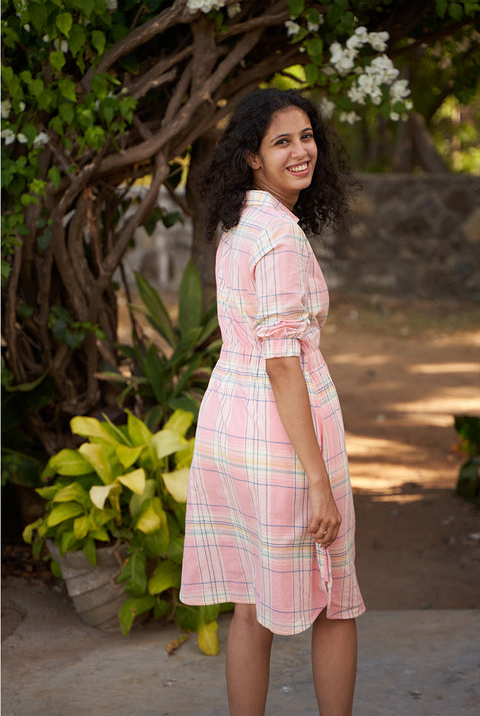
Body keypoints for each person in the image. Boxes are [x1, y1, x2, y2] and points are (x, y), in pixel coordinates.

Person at [180, 88, 365, 716]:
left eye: (307, 135)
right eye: (281, 141)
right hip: (282, 431)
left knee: (251, 602)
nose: (302, 150)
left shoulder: (243, 222)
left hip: (232, 418)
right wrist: (318, 479)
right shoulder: (280, 237)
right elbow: (284, 362)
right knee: (336, 599)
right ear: (252, 158)